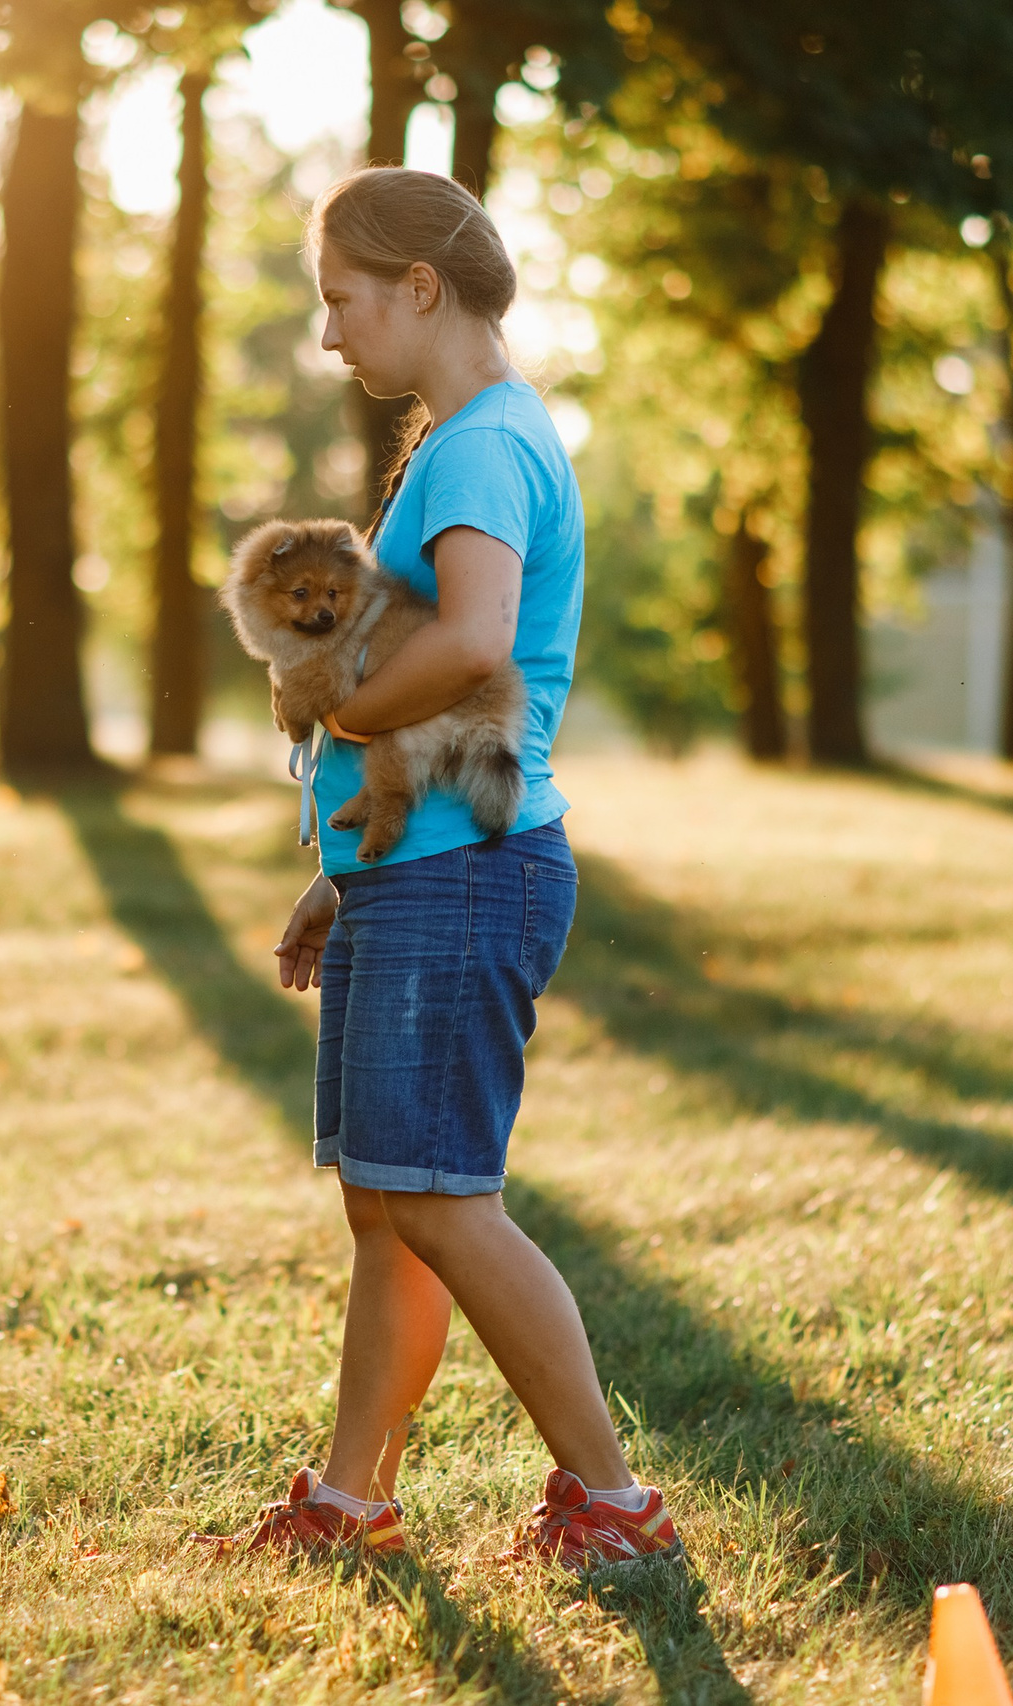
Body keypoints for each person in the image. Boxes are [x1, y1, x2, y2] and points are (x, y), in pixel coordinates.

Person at [197, 167, 682, 1575]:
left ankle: (614, 1500)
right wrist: (348, 867)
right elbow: (468, 704)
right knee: (391, 1197)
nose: (330, 332)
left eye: (342, 298)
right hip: (423, 868)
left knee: (443, 1195)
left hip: (471, 879)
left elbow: (473, 642)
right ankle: (352, 1499)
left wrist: (340, 709)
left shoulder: (478, 448)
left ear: (420, 286)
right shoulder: (471, 439)